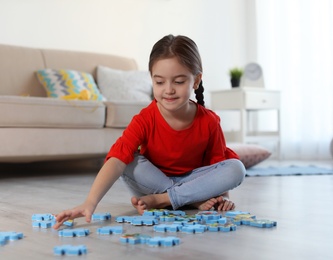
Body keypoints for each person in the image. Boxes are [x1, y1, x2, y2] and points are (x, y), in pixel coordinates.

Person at [53, 34, 246, 229]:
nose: (168, 90)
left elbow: (218, 165)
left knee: (236, 168)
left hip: (191, 181)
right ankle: (185, 199)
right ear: (151, 80)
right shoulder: (145, 119)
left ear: (196, 81)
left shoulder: (210, 121)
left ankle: (165, 199)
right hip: (153, 182)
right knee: (126, 161)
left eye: (178, 82)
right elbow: (117, 160)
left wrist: (221, 199)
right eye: (160, 82)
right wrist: (90, 203)